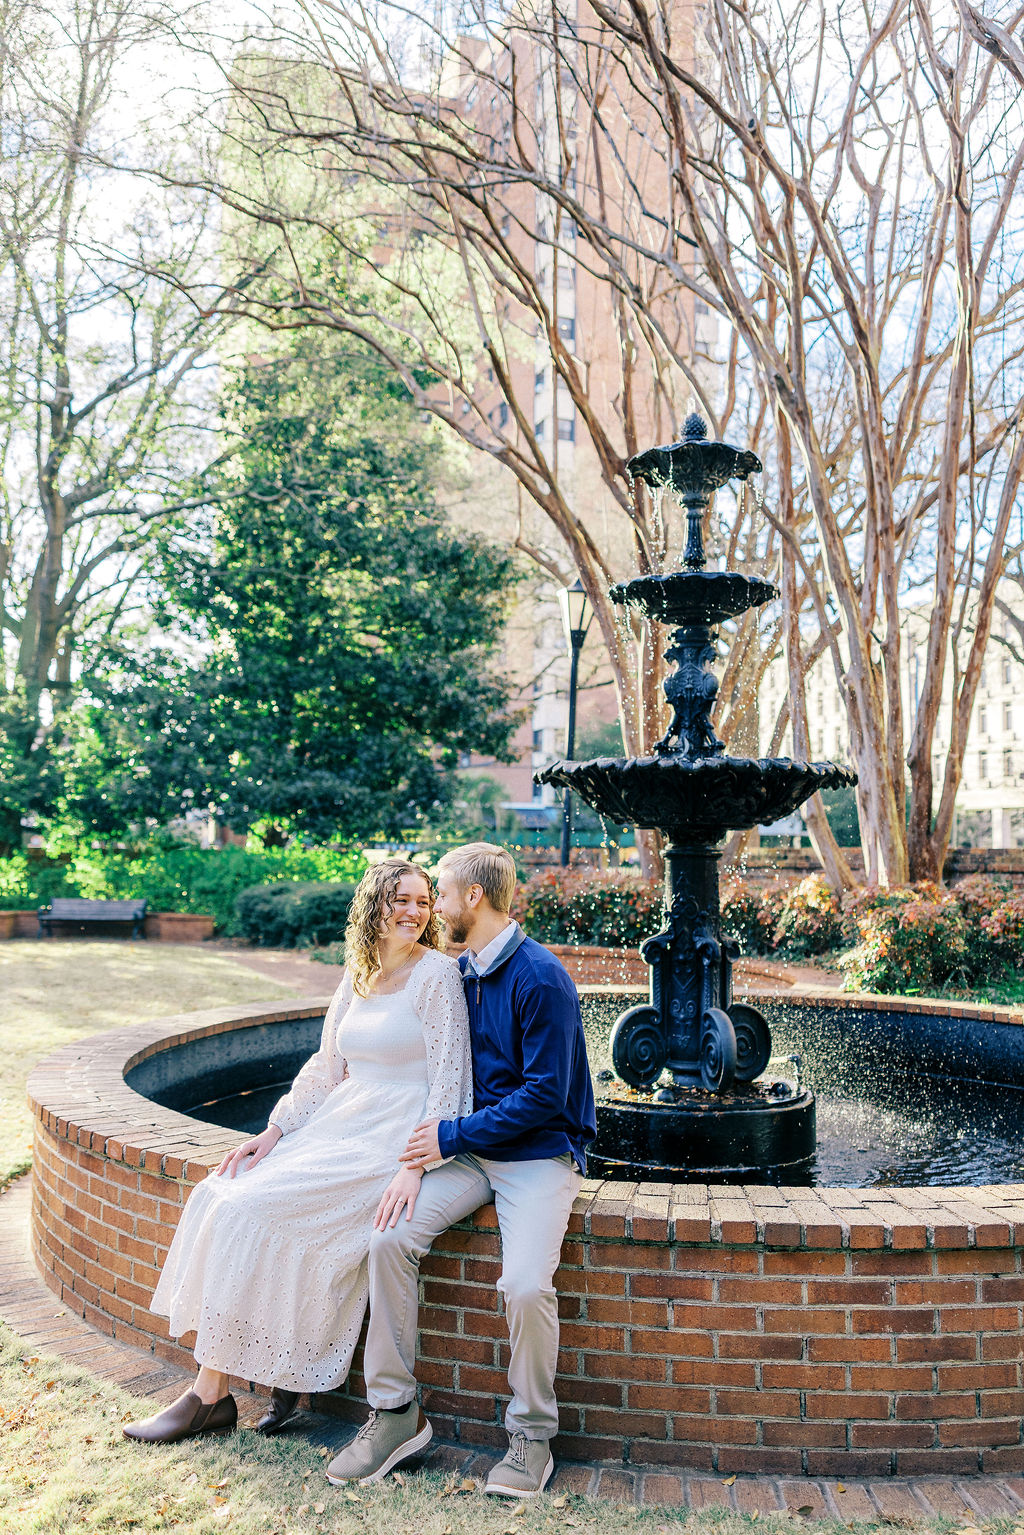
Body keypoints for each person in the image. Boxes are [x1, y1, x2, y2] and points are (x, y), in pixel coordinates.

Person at [123, 859, 471, 1448]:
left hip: (392, 1137)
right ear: (374, 907)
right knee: (220, 1193)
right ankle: (243, 1383)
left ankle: (209, 1398)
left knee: (250, 1213)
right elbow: (325, 1067)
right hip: (343, 1122)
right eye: (400, 900)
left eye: (422, 900)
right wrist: (276, 1129)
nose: (413, 912)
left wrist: (415, 1165)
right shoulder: (358, 972)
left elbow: (448, 1080)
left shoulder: (436, 975)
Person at [325, 842, 596, 1499]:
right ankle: (395, 1414)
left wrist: (449, 1135)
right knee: (388, 1237)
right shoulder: (460, 969)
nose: (434, 906)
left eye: (440, 892)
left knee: (526, 1284)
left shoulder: (540, 975)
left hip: (538, 1153)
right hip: (473, 1152)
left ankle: (531, 1435)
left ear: (473, 896)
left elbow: (545, 1097)